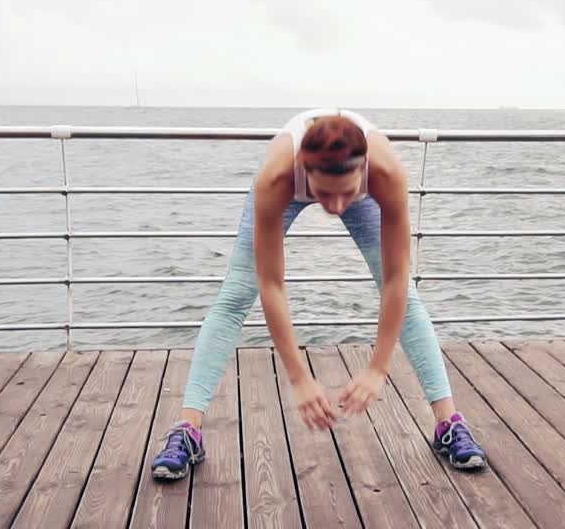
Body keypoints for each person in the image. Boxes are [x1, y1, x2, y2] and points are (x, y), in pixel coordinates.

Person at [150, 107, 487, 480]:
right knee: (234, 297)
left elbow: (396, 279)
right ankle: (187, 429)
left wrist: (377, 367)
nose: (335, 207)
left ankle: (449, 424)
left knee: (408, 297)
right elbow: (271, 283)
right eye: (324, 195)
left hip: (360, 186)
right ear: (304, 171)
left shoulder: (386, 175)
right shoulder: (276, 178)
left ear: (364, 172)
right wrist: (298, 378)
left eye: (345, 195)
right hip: (294, 185)